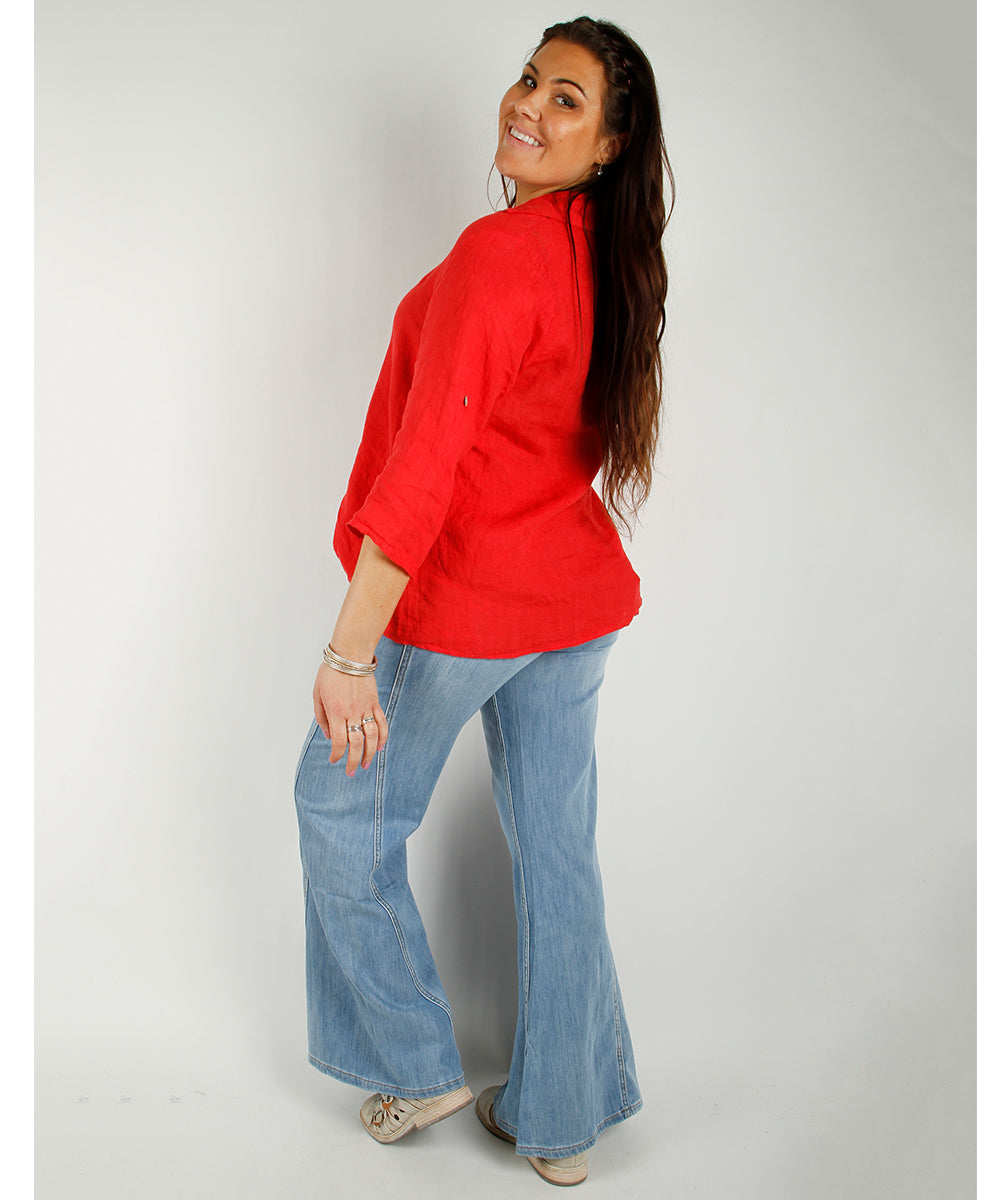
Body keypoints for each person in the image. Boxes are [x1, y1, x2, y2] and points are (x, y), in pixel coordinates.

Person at [293, 15, 673, 1187]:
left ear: (608, 145)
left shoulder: (500, 255)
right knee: (557, 850)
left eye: (567, 99)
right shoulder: (607, 257)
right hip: (573, 603)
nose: (528, 105)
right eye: (529, 79)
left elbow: (426, 470)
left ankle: (415, 1065)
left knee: (338, 810)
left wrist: (349, 655)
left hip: (466, 605)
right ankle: (563, 1122)